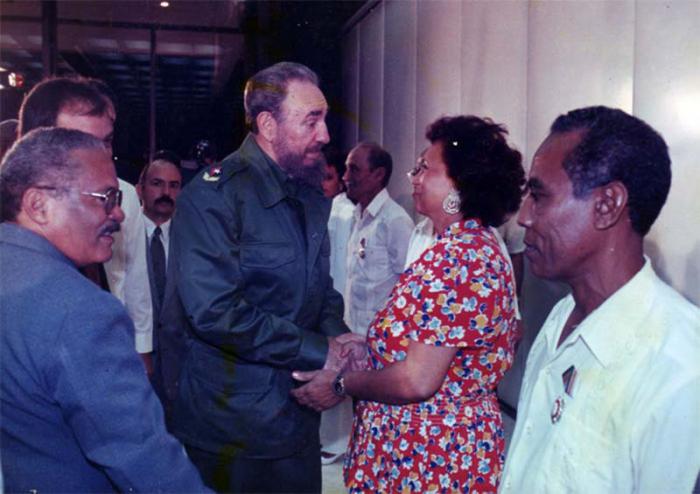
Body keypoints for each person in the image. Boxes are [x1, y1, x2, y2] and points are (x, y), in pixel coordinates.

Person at [292, 115, 525, 493]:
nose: (413, 177)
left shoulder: (461, 258)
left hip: (432, 459)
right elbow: (431, 346)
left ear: (459, 186)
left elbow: (417, 379)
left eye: (424, 168)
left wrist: (339, 384)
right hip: (419, 449)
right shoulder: (458, 246)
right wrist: (369, 346)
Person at [166, 61, 352, 493]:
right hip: (233, 434)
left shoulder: (307, 194)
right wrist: (317, 349)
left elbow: (319, 292)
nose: (324, 135)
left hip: (297, 422)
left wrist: (339, 341)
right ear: (268, 125)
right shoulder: (213, 197)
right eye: (311, 120)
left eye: (324, 119)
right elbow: (215, 312)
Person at [500, 106, 700, 493]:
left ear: (608, 205)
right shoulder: (562, 318)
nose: (523, 217)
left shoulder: (680, 370)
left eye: (539, 196)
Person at [0, 127, 209, 492]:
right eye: (105, 197)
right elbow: (146, 461)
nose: (119, 213)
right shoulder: (81, 310)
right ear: (38, 205)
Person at [17, 76, 154, 374]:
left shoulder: (123, 199)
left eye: (105, 142)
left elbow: (135, 279)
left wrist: (140, 350)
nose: (101, 157)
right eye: (80, 142)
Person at [342, 141, 414, 335]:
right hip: (352, 332)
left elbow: (409, 287)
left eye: (354, 170)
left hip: (381, 338)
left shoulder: (395, 220)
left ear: (378, 174)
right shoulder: (357, 216)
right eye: (346, 169)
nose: (345, 177)